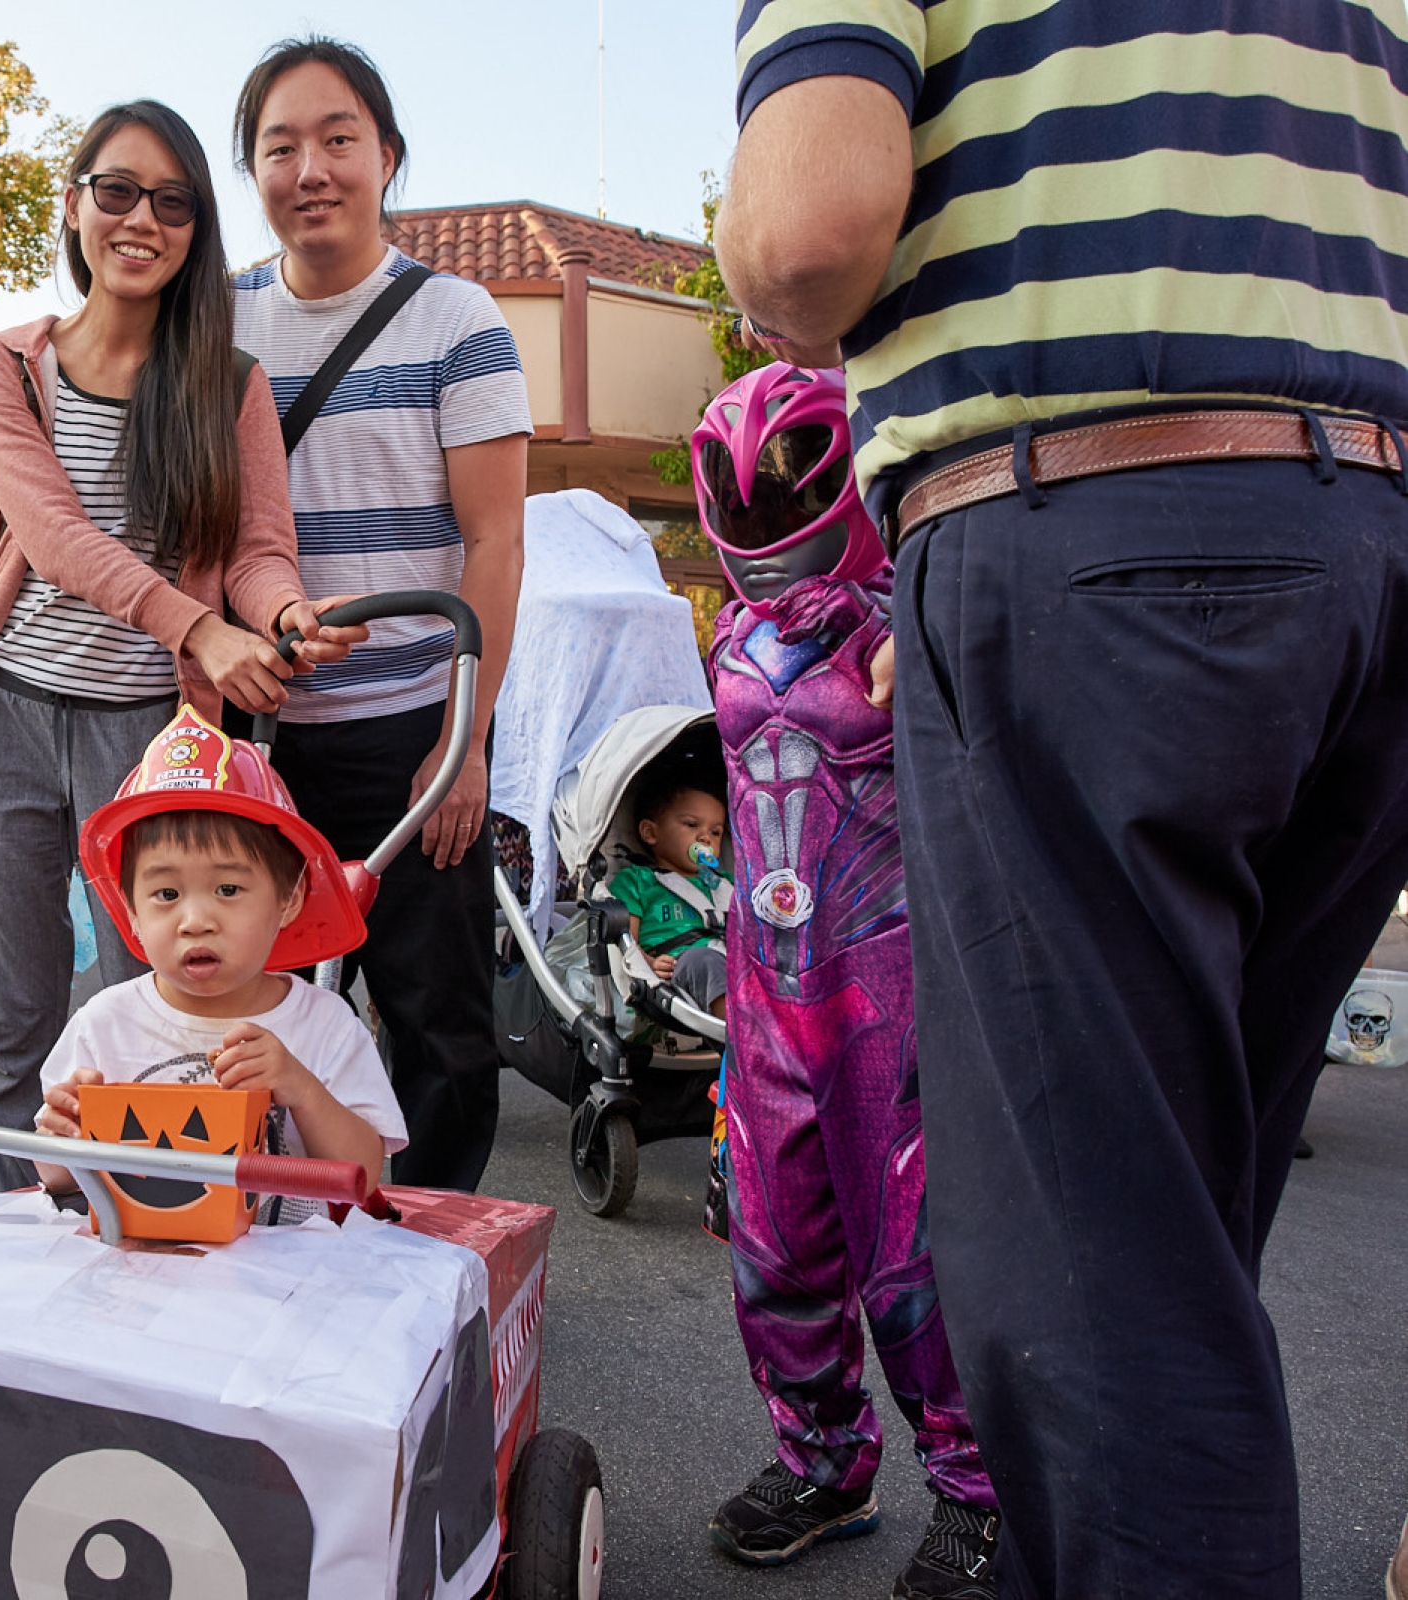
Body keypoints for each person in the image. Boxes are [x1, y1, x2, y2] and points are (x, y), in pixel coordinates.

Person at [715, 15, 1408, 1597]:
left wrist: (763, 274)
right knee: (1175, 1236)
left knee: (1094, 1286)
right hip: (1365, 537)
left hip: (1094, 530)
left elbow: (808, 234)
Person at [0, 99, 350, 1187]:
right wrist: (200, 627)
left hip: (150, 735)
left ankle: (155, 1238)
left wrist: (283, 615)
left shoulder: (229, 385)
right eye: (118, 191)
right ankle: (30, 1229)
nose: (142, 220)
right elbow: (53, 535)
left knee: (154, 1010)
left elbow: (259, 549)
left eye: (172, 203)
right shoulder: (10, 365)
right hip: (7, 716)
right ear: (72, 204)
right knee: (15, 1015)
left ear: (196, 231)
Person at [688, 364, 997, 1596]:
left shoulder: (910, 614)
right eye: (744, 500)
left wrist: (897, 616)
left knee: (914, 1265)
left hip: (889, 989)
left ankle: (979, 1495)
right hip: (768, 989)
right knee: (774, 1250)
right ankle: (822, 1463)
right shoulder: (731, 631)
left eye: (784, 492)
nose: (762, 518)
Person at [231, 37, 531, 1191]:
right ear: (253, 172)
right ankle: (268, 1243)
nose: (310, 169)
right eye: (280, 147)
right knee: (245, 1013)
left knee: (439, 1028)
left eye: (338, 139)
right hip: (259, 738)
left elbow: (496, 542)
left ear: (388, 157)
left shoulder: (458, 319)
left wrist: (466, 743)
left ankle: (432, 1256)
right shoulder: (216, 323)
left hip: (412, 731)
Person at [34, 707, 405, 1202]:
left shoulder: (324, 1024)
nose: (195, 921)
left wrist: (302, 1090)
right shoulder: (104, 1023)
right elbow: (55, 1178)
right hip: (138, 1246)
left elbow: (364, 1175)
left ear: (288, 900)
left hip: (291, 1251)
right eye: (166, 894)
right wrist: (61, 1134)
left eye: (228, 889)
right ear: (133, 913)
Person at [607, 776, 730, 1021]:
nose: (705, 838)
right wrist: (648, 964)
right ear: (651, 833)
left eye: (715, 832)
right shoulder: (639, 881)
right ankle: (737, 1033)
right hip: (677, 973)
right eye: (691, 825)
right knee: (703, 961)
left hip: (733, 963)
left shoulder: (727, 885)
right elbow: (626, 943)